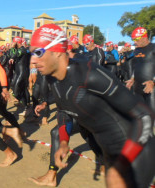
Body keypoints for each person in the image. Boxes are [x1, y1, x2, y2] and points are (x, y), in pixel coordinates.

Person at [29, 23, 154, 188]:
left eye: (38, 53)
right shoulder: (53, 79)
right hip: (109, 149)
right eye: (31, 54)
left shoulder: (89, 75)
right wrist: (64, 142)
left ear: (57, 51)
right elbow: (63, 110)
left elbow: (143, 116)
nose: (32, 61)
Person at [126, 27, 155, 112]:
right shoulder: (136, 50)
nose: (135, 42)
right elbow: (136, 66)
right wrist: (132, 78)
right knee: (141, 115)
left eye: (136, 39)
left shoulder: (153, 48)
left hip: (151, 88)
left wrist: (153, 82)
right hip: (138, 88)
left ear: (144, 38)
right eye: (133, 40)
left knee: (152, 115)